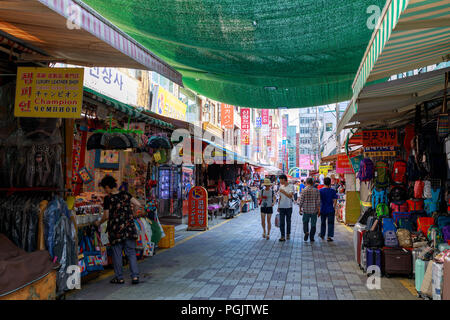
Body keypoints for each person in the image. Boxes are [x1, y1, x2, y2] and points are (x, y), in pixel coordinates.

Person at [95, 175, 143, 285]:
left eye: (105, 188)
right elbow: (138, 204)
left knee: (117, 254)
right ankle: (135, 277)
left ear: (108, 187)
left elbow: (106, 216)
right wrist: (134, 213)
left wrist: (98, 222)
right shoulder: (126, 194)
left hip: (116, 231)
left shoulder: (108, 199)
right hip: (129, 228)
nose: (105, 191)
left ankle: (119, 277)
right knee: (131, 253)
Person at [298, 177, 321, 242]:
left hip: (306, 210)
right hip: (314, 210)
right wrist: (319, 211)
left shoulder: (304, 190)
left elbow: (301, 201)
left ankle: (306, 232)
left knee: (305, 222)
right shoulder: (316, 190)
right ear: (312, 183)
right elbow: (318, 202)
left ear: (307, 183)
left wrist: (300, 209)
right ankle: (312, 237)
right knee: (313, 224)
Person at [319, 177, 338, 241]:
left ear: (324, 182)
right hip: (330, 209)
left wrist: (319, 209)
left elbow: (319, 200)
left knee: (323, 222)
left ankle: (322, 234)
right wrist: (334, 207)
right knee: (330, 223)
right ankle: (329, 237)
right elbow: (335, 200)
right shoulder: (332, 191)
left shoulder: (321, 190)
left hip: (323, 208)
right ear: (330, 183)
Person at [277, 174, 295, 242]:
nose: (280, 181)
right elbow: (280, 197)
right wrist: (278, 206)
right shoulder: (281, 186)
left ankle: (288, 233)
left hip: (288, 207)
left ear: (284, 179)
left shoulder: (291, 186)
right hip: (281, 207)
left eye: (280, 180)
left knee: (288, 221)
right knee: (282, 222)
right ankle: (282, 236)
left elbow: (290, 196)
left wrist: (283, 192)